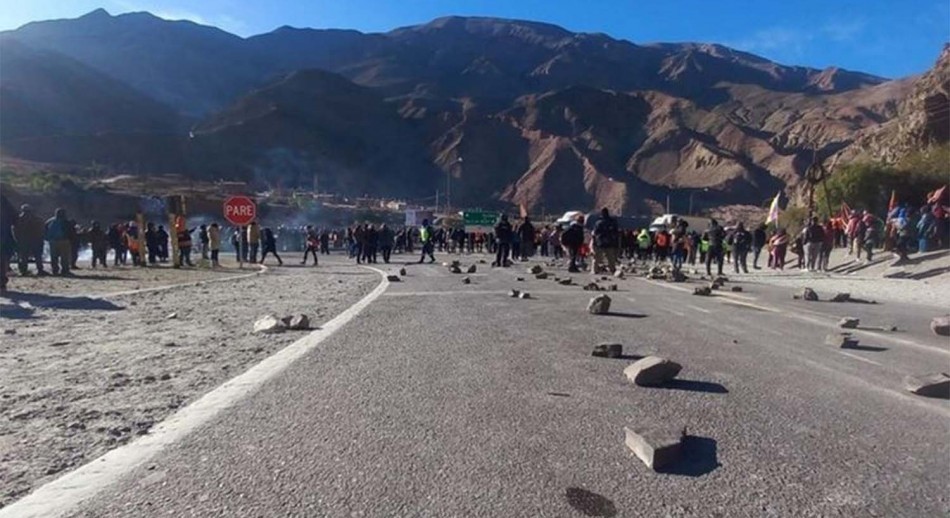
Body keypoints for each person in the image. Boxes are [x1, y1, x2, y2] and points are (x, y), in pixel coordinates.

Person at [13, 204, 46, 276]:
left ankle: (23, 271)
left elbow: (14, 231)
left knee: (23, 256)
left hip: (23, 241)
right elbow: (42, 230)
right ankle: (40, 270)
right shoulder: (37, 219)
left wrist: (17, 240)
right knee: (37, 256)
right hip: (35, 240)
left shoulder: (18, 219)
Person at [591, 208, 619, 274]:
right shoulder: (612, 222)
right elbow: (616, 232)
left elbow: (595, 233)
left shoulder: (598, 222)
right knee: (611, 257)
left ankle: (594, 270)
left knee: (597, 258)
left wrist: (594, 242)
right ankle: (612, 270)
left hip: (600, 242)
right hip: (610, 241)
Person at [45, 208, 72, 276]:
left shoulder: (50, 221)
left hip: (53, 241)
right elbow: (70, 231)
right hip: (64, 241)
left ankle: (55, 270)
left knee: (54, 257)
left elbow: (44, 229)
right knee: (64, 257)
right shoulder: (66, 221)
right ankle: (65, 270)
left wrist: (47, 238)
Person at [0, 195, 16, 293]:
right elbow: (15, 218)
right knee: (2, 261)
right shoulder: (3, 201)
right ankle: (1, 284)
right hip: (3, 236)